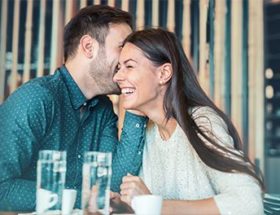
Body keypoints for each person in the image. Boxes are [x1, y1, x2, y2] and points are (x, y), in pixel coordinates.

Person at [0, 5, 147, 211]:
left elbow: (112, 184)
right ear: (88, 47)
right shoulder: (36, 99)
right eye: (122, 48)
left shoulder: (103, 110)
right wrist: (83, 198)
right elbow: (2, 188)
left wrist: (135, 101)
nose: (128, 58)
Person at [113, 28, 264, 214]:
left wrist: (155, 205)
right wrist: (127, 207)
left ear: (164, 73)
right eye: (118, 68)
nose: (117, 77)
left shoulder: (202, 122)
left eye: (129, 66)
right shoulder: (150, 131)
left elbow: (249, 202)